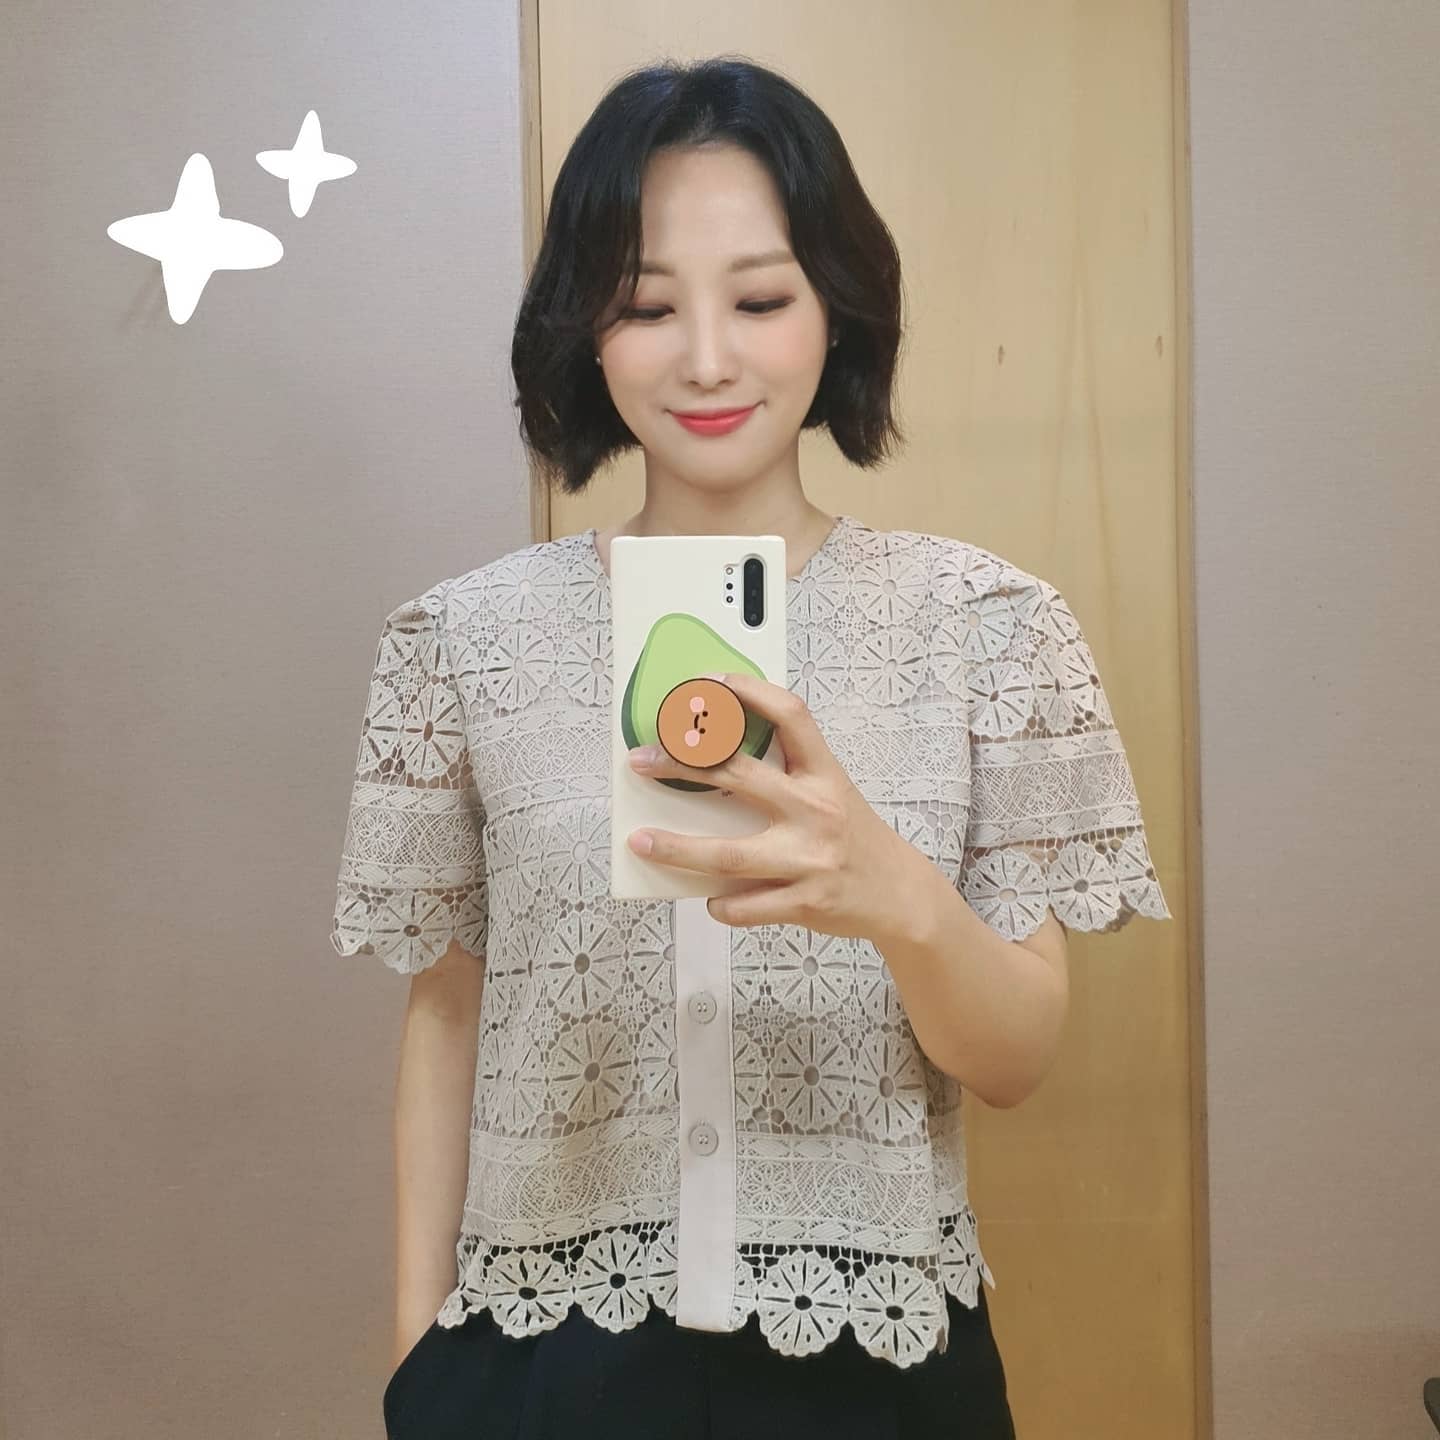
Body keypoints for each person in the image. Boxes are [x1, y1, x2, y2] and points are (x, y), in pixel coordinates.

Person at [330, 55, 1171, 1440]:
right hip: (539, 1370)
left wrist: (893, 892)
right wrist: (419, 1364)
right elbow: (447, 1015)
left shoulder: (986, 628)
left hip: (881, 1376)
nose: (708, 358)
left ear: (837, 308)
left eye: (763, 299)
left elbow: (1015, 1059)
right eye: (647, 305)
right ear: (585, 330)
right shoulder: (465, 641)